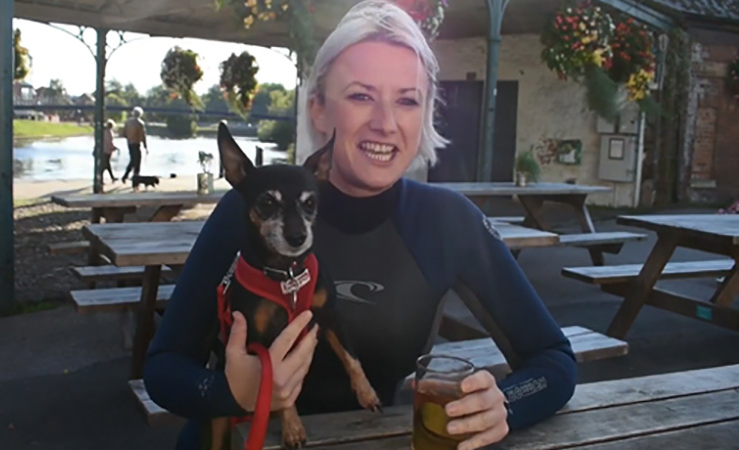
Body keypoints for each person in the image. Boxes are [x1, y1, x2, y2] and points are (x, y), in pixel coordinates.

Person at [143, 2, 576, 449]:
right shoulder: (253, 211)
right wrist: (230, 392)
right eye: (361, 96)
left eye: (407, 100)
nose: (386, 123)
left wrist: (504, 404)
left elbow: (554, 360)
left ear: (424, 114)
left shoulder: (448, 221)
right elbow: (163, 368)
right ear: (317, 108)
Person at [121, 106, 148, 184]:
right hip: (136, 143)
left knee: (133, 160)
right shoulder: (140, 123)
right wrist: (145, 146)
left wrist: (129, 137)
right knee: (137, 161)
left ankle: (126, 176)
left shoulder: (128, 122)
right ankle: (135, 179)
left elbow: (124, 133)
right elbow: (143, 136)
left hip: (129, 143)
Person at [101, 119, 118, 184]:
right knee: (105, 165)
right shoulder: (108, 132)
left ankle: (112, 177)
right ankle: (101, 178)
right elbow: (109, 142)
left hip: (104, 150)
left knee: (106, 165)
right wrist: (113, 147)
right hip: (107, 150)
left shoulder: (105, 131)